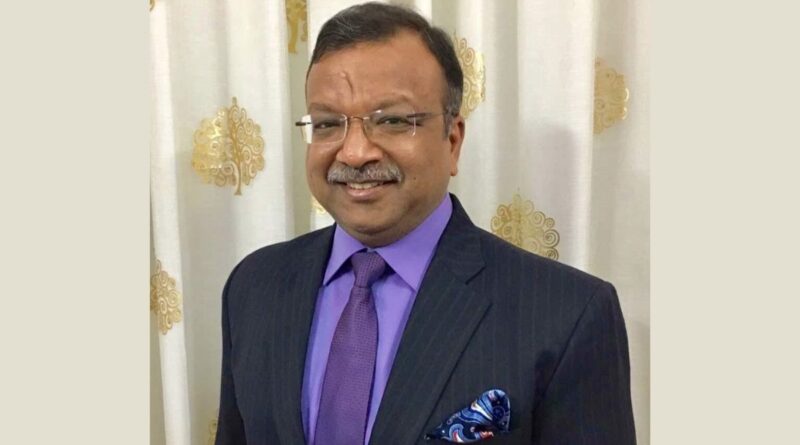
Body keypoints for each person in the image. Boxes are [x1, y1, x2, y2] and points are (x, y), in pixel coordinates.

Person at [214, 3, 636, 444]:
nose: (354, 153)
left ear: (452, 141)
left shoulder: (568, 314)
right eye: (327, 124)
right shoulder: (253, 286)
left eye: (393, 121)